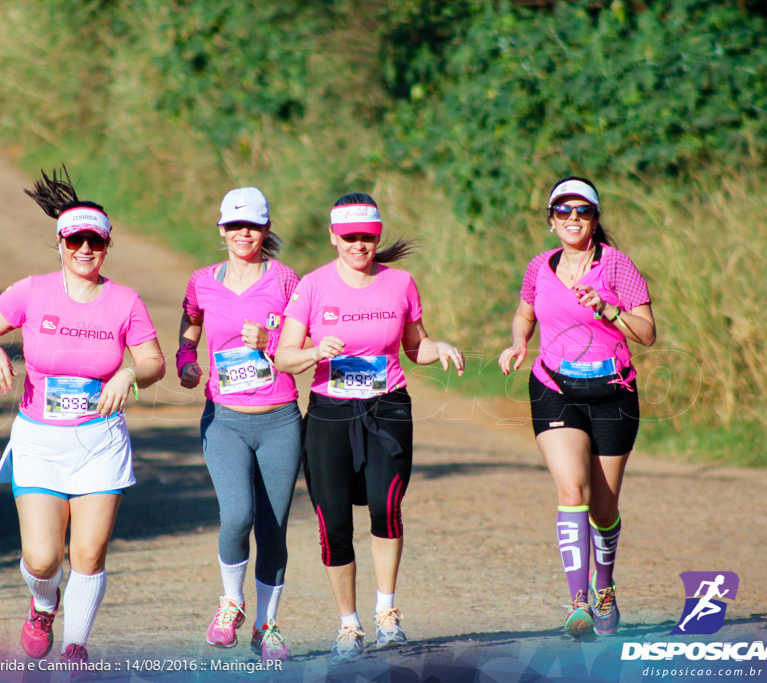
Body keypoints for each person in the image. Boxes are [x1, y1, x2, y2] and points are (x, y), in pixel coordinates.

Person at [0, 167, 165, 665]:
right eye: (75, 239)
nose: (84, 249)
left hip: (100, 441)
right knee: (42, 558)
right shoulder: (31, 292)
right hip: (39, 440)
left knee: (88, 555)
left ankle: (76, 648)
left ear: (106, 245)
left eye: (94, 241)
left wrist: (129, 376)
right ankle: (42, 602)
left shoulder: (125, 302)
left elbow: (154, 360)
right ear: (59, 241)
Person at [275, 193, 464, 664]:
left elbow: (414, 346)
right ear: (334, 237)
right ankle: (348, 625)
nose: (359, 245)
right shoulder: (312, 286)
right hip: (330, 414)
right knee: (334, 522)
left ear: (377, 236)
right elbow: (283, 357)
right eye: (350, 237)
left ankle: (386, 616)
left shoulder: (400, 283)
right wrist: (317, 352)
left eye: (367, 237)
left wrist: (436, 347)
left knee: (386, 507)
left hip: (388, 408)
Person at [498, 176, 656, 638]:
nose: (573, 219)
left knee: (604, 510)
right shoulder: (539, 266)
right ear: (551, 220)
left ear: (595, 219)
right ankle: (578, 602)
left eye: (582, 211)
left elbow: (647, 333)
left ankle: (603, 588)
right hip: (554, 387)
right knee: (572, 491)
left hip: (613, 393)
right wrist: (517, 344)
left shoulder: (617, 266)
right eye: (563, 211)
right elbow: (525, 312)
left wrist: (608, 310)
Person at [176, 187, 302, 662]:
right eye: (233, 226)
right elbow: (189, 324)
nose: (242, 234)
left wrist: (271, 339)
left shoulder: (286, 279)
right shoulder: (201, 281)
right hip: (225, 420)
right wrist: (186, 360)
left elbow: (301, 338)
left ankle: (267, 628)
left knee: (273, 527)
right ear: (221, 230)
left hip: (279, 420)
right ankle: (231, 602)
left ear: (266, 229)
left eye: (251, 225)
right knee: (237, 515)